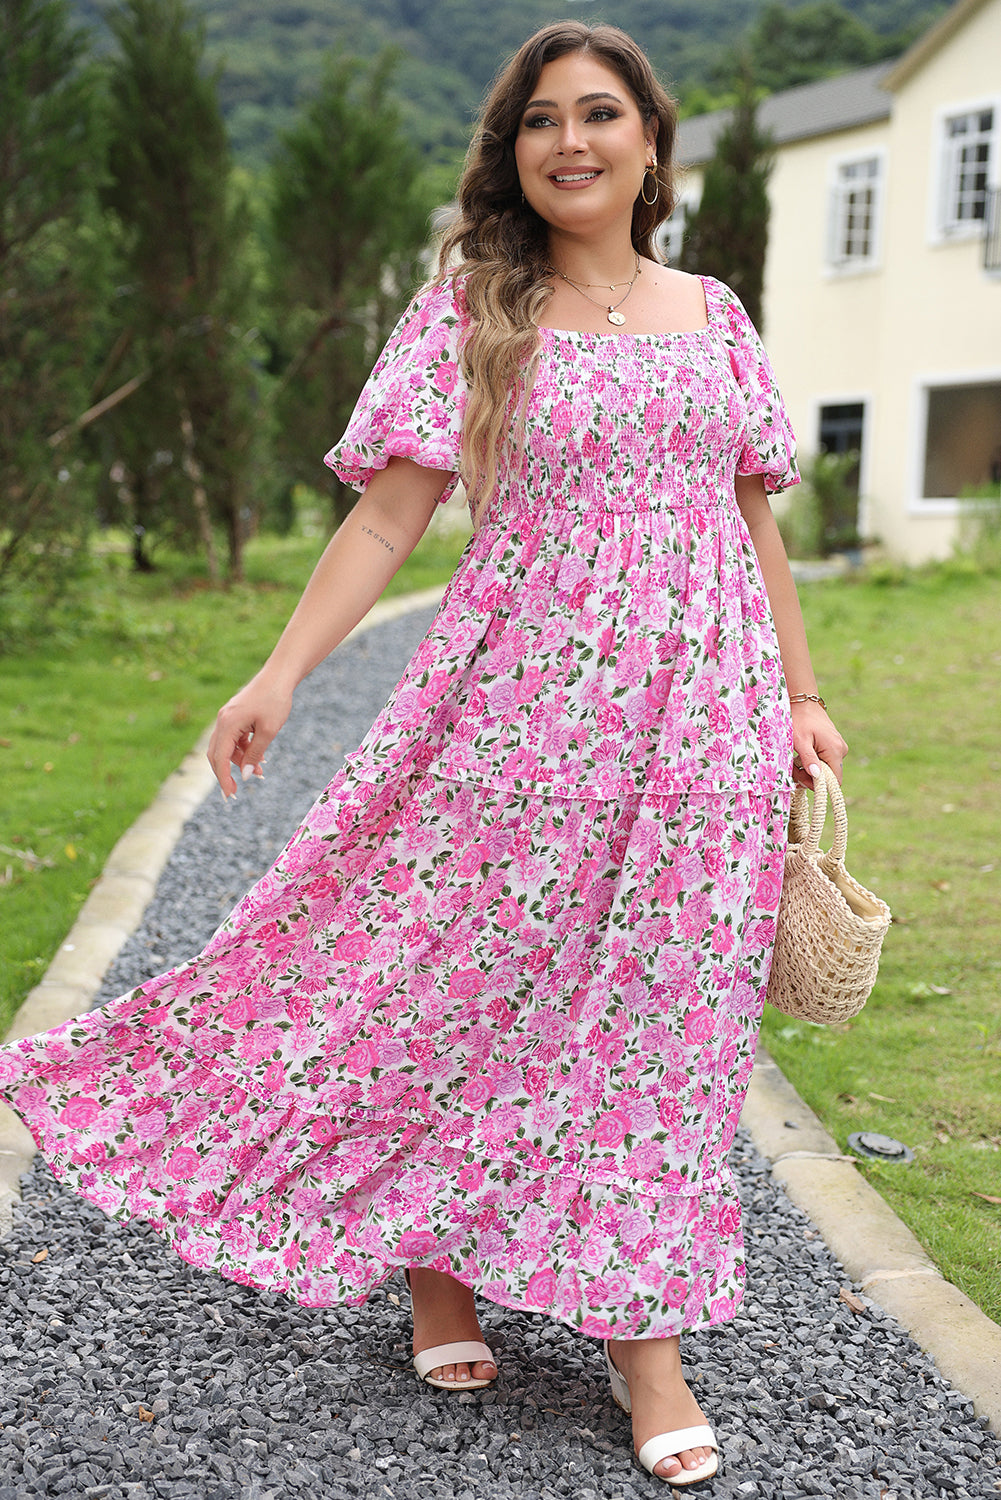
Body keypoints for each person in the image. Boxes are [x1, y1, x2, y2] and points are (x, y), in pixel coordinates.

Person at [0, 20, 848, 1489]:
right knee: (457, 981)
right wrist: (277, 674)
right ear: (511, 153)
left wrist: (801, 694)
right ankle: (436, 1266)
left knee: (667, 1023)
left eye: (597, 114)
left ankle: (639, 1330)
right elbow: (390, 518)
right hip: (516, 721)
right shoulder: (475, 306)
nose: (566, 141)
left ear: (651, 140)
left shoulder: (712, 313)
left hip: (700, 730)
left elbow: (752, 515)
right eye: (538, 121)